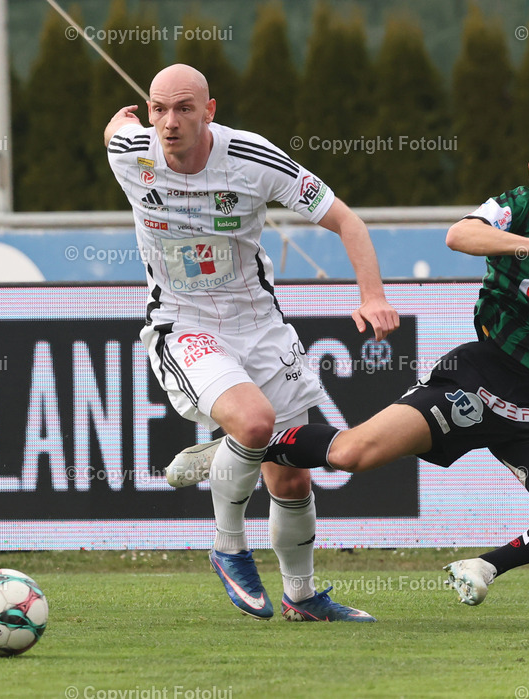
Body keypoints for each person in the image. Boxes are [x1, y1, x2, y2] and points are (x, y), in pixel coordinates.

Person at [171, 113, 529, 607]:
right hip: (480, 379)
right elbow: (459, 235)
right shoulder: (515, 208)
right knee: (350, 454)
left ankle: (486, 566)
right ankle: (249, 447)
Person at [105, 64, 399, 622]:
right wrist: (115, 124)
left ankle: (303, 597)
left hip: (260, 326)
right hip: (182, 321)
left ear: (209, 111)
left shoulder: (253, 158)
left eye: (185, 108)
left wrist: (373, 296)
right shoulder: (131, 153)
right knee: (257, 423)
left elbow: (348, 223)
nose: (170, 122)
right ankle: (227, 546)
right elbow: (114, 132)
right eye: (159, 109)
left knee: (289, 475)